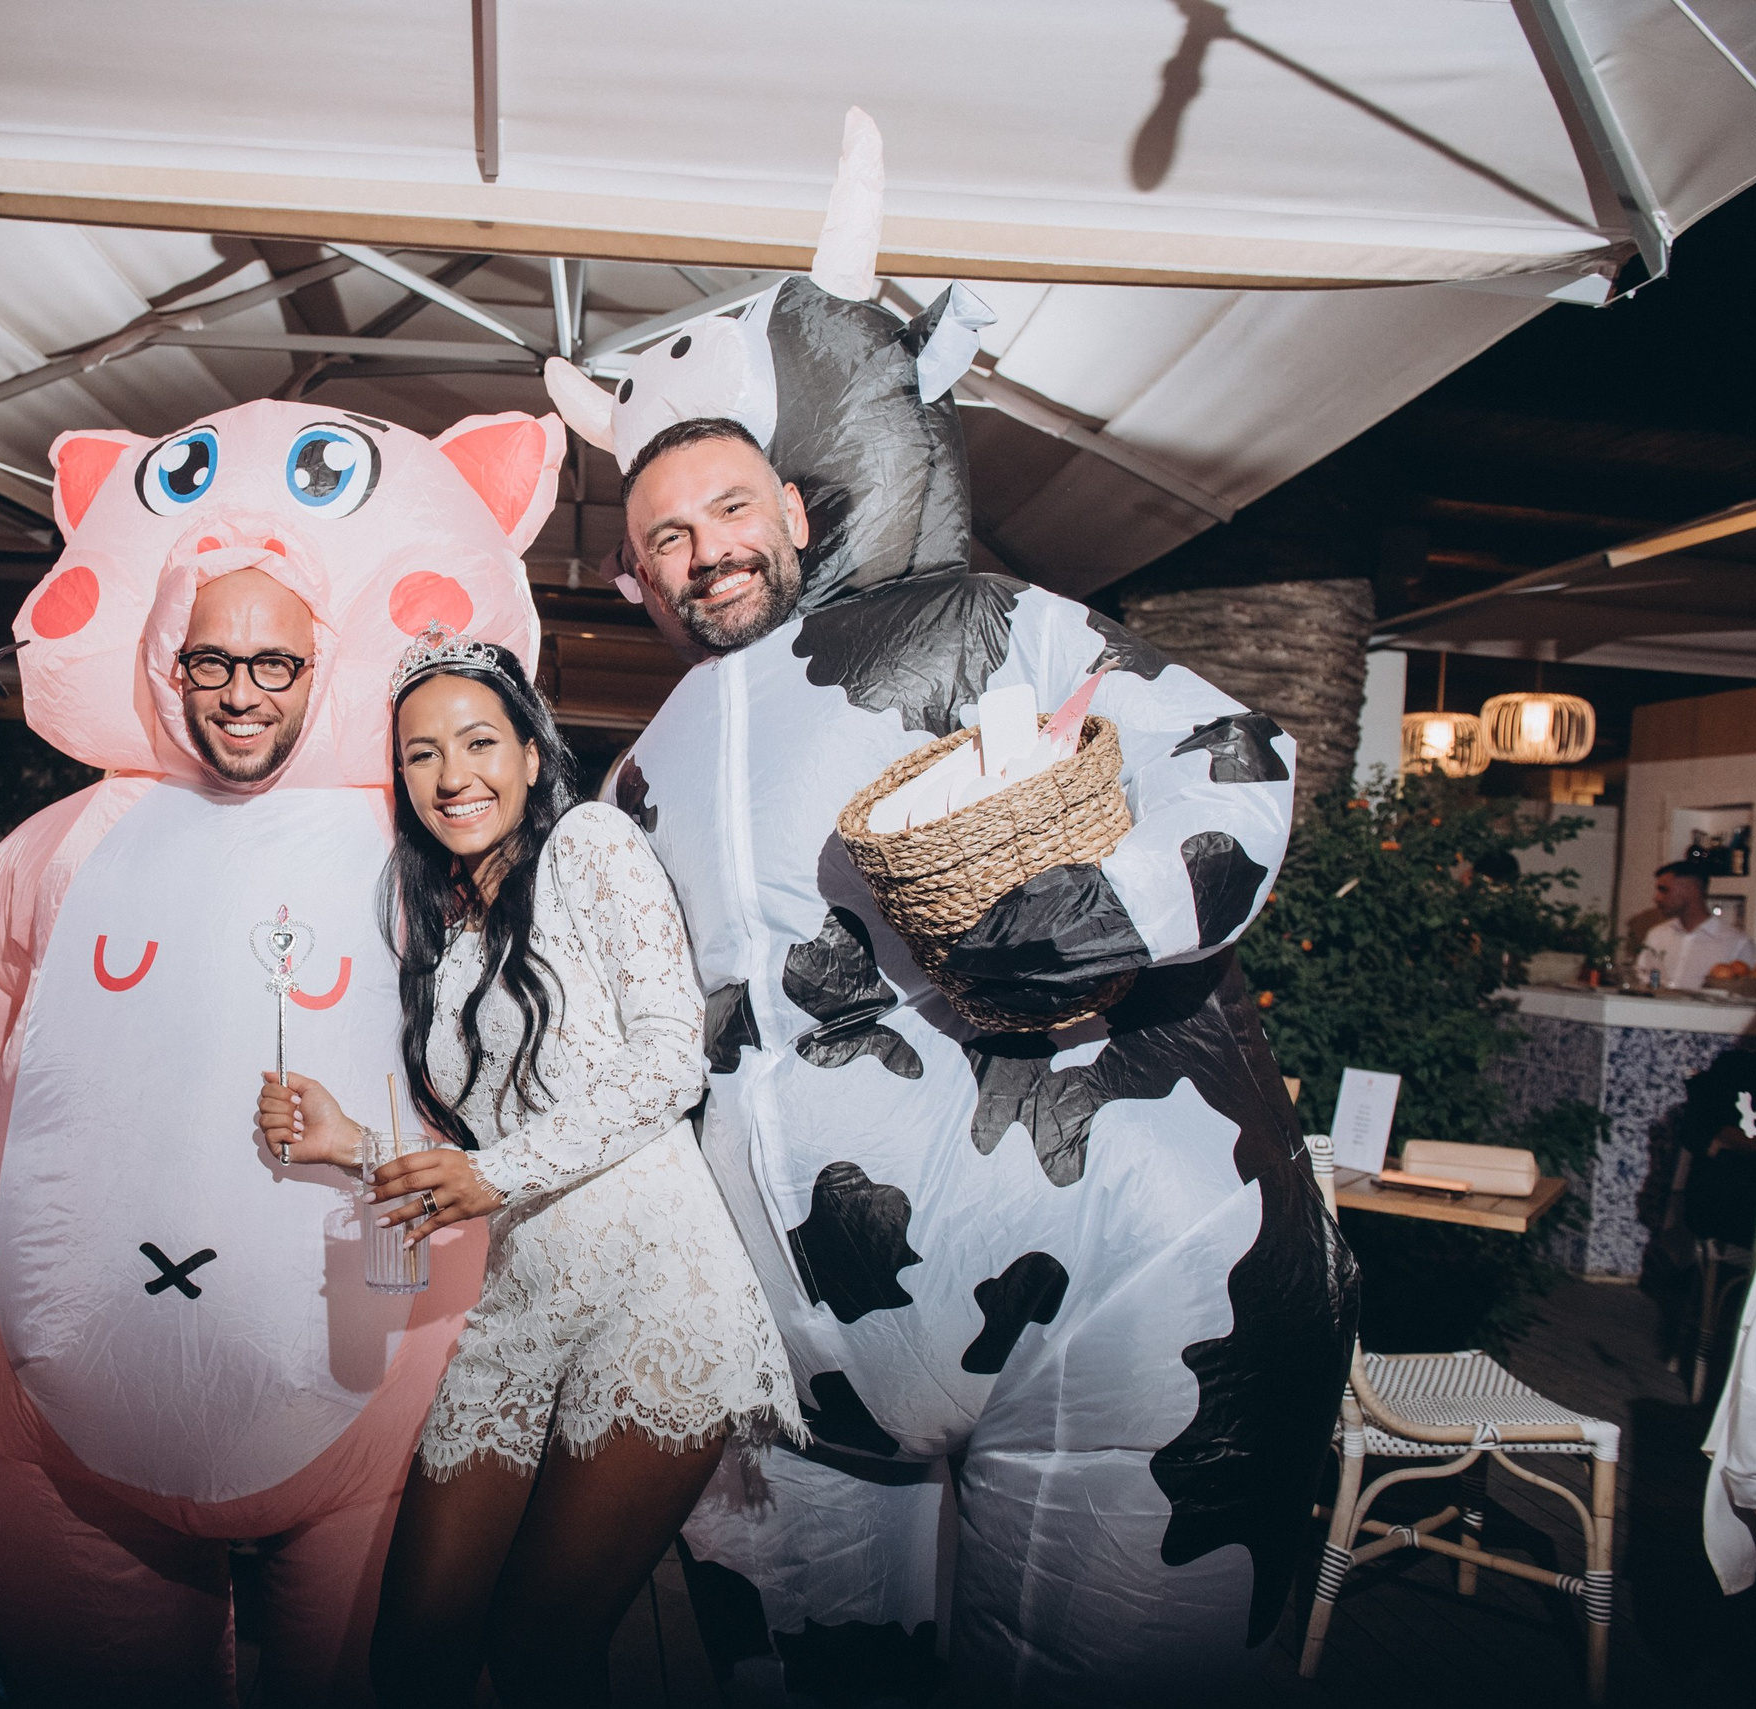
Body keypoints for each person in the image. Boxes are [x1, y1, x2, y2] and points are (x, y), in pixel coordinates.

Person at [541, 111, 1352, 1705]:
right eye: (664, 543)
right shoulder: (631, 774)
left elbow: (1225, 755)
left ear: (793, 512)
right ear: (636, 582)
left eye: (725, 515)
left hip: (1109, 1298)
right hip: (789, 1370)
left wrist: (1108, 903)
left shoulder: (986, 624)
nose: (704, 553)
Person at [0, 393, 564, 1705]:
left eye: (276, 664)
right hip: (52, 1415)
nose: (241, 692)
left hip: (376, 1386)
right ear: (167, 664)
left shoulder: (446, 856)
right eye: (212, 661)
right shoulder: (62, 846)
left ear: (327, 669)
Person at [257, 632, 799, 1703]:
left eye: (477, 741)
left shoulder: (591, 844)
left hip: (656, 1294)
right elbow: (486, 1148)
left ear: (530, 750)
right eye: (421, 754)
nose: (453, 775)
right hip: (520, 1306)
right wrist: (351, 1144)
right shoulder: (448, 938)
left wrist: (490, 1175)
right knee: (413, 1653)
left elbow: (666, 1060)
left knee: (545, 1654)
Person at [1634, 860, 1755, 991]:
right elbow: (1641, 981)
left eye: (1664, 890)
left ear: (1691, 889)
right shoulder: (1657, 935)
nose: (1657, 898)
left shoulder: (1737, 943)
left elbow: (1745, 996)